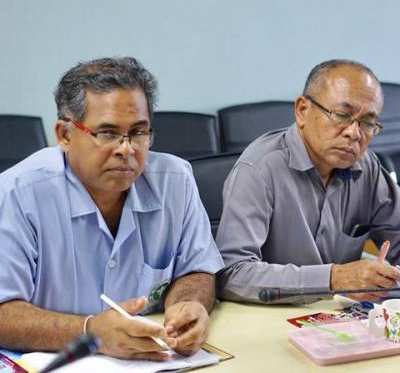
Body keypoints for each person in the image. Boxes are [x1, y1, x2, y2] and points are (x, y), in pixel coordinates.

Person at [0, 57, 224, 360]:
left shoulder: (175, 181)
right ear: (65, 135)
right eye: (107, 133)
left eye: (139, 132)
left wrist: (189, 304)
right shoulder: (17, 193)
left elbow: (197, 269)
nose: (126, 148)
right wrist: (90, 332)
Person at [216, 59, 400, 305]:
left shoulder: (367, 167)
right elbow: (232, 274)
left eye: (367, 123)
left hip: (343, 316)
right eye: (342, 115)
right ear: (302, 110)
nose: (354, 133)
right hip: (272, 315)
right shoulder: (259, 169)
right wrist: (334, 278)